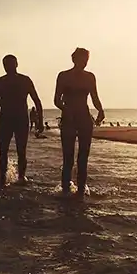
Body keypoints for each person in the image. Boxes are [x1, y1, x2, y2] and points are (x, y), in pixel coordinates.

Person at [55, 48, 104, 197]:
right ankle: (65, 190)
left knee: (83, 158)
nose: (84, 62)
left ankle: (81, 190)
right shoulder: (63, 76)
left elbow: (94, 97)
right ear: (74, 59)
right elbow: (56, 100)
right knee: (68, 157)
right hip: (68, 118)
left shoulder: (90, 77)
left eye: (86, 60)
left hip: (84, 117)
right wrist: (66, 109)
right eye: (82, 59)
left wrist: (100, 110)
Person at [0, 55, 42, 187]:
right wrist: (12, 101)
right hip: (10, 118)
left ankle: (16, 178)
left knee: (16, 150)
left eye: (9, 64)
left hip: (17, 118)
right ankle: (6, 178)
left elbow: (37, 100)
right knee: (9, 150)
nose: (8, 67)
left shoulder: (20, 80)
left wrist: (40, 120)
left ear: (16, 64)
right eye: (6, 65)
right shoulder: (3, 81)